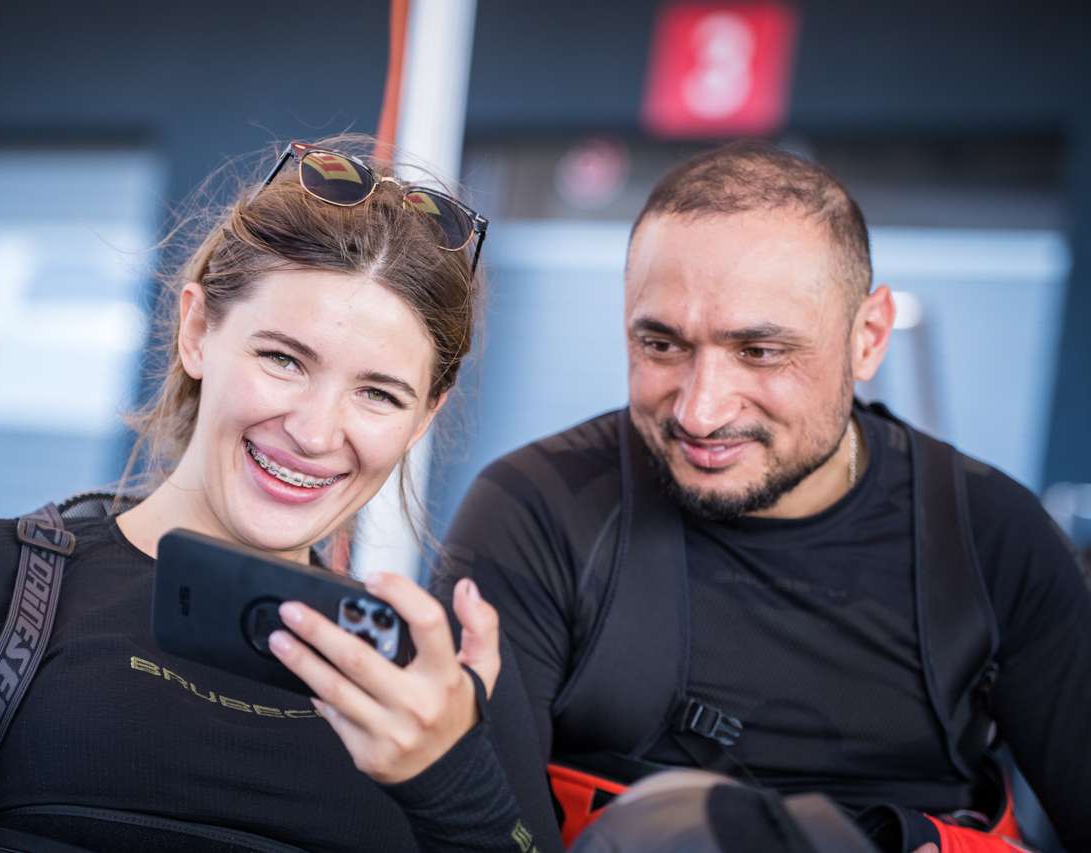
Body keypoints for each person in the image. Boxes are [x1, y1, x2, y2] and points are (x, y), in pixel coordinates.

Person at [0, 137, 562, 853]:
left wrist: (453, 780)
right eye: (284, 359)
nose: (314, 432)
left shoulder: (433, 688)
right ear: (197, 329)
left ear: (424, 417)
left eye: (378, 393)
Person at [440, 142, 1091, 851]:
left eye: (759, 351)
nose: (699, 411)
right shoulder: (538, 513)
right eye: (662, 345)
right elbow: (485, 830)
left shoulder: (993, 538)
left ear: (868, 338)